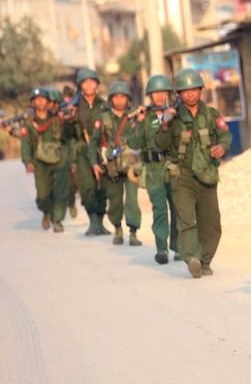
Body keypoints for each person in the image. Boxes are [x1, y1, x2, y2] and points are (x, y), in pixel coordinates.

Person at [156, 68, 232, 278]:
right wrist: (163, 125)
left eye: (194, 90)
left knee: (211, 223)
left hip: (206, 174)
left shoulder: (211, 114)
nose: (190, 94)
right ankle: (192, 258)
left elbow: (225, 136)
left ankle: (205, 261)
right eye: (185, 91)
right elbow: (160, 144)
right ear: (178, 94)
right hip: (182, 176)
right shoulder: (171, 117)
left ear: (201, 90)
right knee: (186, 220)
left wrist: (222, 148)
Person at [129, 74, 180, 264]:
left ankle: (178, 247)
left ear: (167, 93)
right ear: (150, 95)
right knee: (159, 209)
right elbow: (133, 142)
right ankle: (162, 249)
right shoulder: (145, 116)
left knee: (177, 208)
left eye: (162, 92)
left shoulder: (174, 113)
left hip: (172, 167)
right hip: (152, 169)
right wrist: (140, 122)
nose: (159, 96)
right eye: (155, 93)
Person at [89, 80, 143, 246]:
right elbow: (94, 142)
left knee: (132, 199)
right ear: (111, 99)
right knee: (114, 200)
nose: (119, 100)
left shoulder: (135, 116)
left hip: (131, 165)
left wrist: (141, 120)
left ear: (128, 98)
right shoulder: (103, 118)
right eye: (116, 97)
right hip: (111, 166)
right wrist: (94, 163)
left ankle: (133, 232)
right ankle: (117, 228)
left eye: (123, 97)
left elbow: (147, 131)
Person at [19, 87, 73, 232]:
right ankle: (46, 211)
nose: (40, 102)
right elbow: (26, 143)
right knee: (42, 195)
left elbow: (68, 136)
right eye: (37, 99)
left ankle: (58, 220)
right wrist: (27, 162)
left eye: (43, 99)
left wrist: (65, 120)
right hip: (40, 162)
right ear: (33, 102)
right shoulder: (29, 122)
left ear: (48, 102)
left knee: (60, 192)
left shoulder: (57, 118)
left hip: (59, 159)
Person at [68, 68, 111, 236]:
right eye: (85, 82)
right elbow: (67, 134)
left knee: (103, 187)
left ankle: (100, 222)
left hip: (103, 150)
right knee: (87, 187)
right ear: (80, 86)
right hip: (83, 151)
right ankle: (92, 220)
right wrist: (69, 119)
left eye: (92, 81)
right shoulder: (75, 107)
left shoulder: (104, 105)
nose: (89, 85)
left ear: (97, 84)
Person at [62, 85, 80, 219]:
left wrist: (72, 118)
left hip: (74, 151)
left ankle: (71, 202)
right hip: (60, 153)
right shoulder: (57, 112)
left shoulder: (77, 112)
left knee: (74, 183)